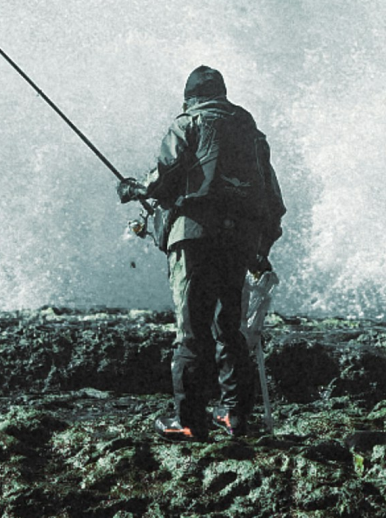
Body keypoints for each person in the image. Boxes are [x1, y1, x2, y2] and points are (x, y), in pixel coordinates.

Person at [119, 66, 284, 442]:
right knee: (231, 328)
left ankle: (191, 421)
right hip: (239, 241)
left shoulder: (188, 123)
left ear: (190, 97)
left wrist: (133, 189)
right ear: (223, 95)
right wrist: (260, 250)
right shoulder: (252, 135)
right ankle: (235, 416)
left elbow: (164, 176)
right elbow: (273, 202)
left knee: (192, 330)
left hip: (193, 238)